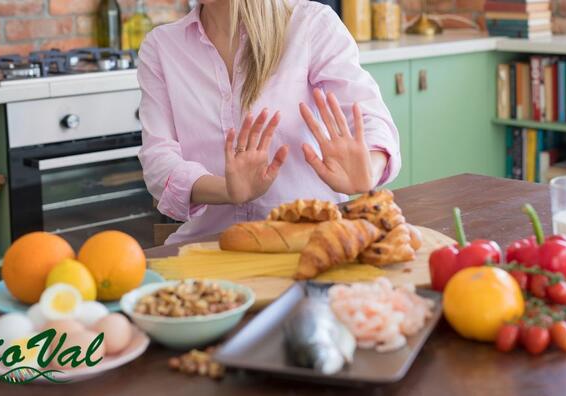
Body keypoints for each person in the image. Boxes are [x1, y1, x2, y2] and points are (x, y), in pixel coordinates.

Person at [138, 0, 400, 245]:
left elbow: (369, 118)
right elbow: (158, 162)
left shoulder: (310, 24)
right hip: (212, 248)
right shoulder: (161, 47)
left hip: (312, 242)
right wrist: (228, 191)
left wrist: (371, 166)